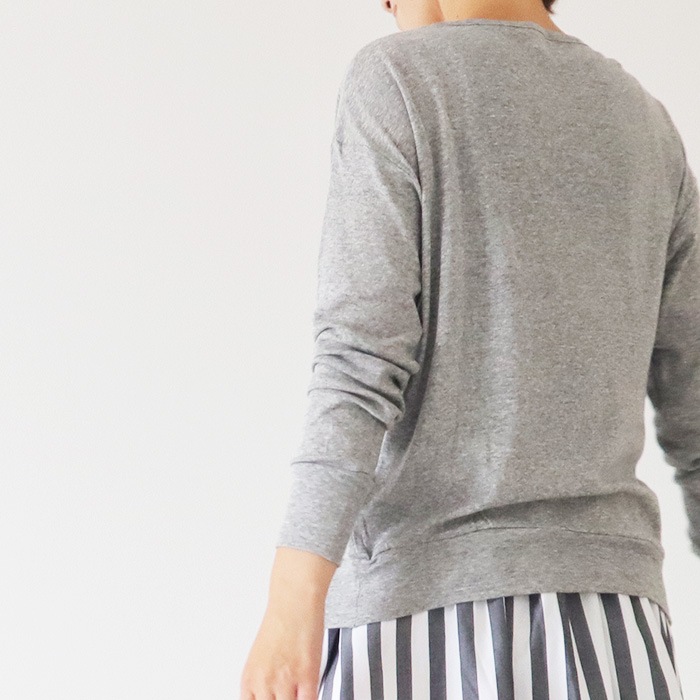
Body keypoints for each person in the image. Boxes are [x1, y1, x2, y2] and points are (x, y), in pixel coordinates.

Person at [240, 0, 698, 697]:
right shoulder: (646, 122)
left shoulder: (399, 78)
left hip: (421, 618)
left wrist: (291, 601)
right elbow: (693, 404)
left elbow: (360, 362)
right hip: (616, 628)